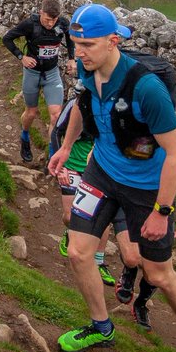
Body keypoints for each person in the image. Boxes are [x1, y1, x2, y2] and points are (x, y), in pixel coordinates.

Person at [47, 3, 176, 352]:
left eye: (87, 44)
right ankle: (101, 327)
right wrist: (67, 146)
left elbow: (175, 153)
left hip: (146, 189)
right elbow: (82, 108)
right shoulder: (89, 72)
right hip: (102, 173)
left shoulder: (147, 88)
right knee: (78, 252)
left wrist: (163, 211)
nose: (79, 53)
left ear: (113, 40)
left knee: (157, 274)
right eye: (75, 44)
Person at [114, 153, 176, 330]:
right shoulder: (125, 133)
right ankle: (129, 272)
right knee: (132, 258)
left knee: (154, 274)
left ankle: (141, 303)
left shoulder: (169, 144)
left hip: (160, 207)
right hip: (127, 198)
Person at [50, 93, 115, 287]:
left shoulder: (112, 107)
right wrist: (59, 165)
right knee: (70, 216)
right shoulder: (74, 105)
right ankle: (70, 233)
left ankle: (99, 261)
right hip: (70, 166)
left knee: (102, 217)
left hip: (96, 171)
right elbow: (56, 133)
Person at [3, 0, 74, 164]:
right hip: (32, 73)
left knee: (56, 116)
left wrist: (72, 58)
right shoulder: (30, 24)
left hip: (51, 73)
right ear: (41, 12)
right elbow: (7, 38)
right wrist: (22, 57)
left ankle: (52, 157)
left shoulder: (62, 23)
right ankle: (25, 137)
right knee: (31, 112)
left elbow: (70, 37)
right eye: (48, 20)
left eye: (54, 20)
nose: (50, 24)